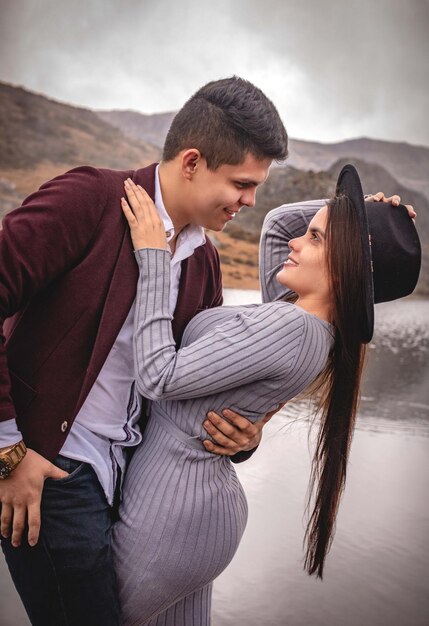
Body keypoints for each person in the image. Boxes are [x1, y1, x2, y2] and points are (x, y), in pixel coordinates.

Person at [0, 77, 289, 626]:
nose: (251, 202)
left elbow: (190, 382)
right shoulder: (86, 199)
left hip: (131, 486)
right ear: (191, 162)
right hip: (49, 471)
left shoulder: (204, 261)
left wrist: (243, 438)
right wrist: (8, 448)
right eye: (242, 184)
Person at [113, 165, 421, 625]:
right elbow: (279, 224)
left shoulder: (291, 328)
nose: (298, 241)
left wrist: (154, 255)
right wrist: (356, 213)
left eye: (316, 239)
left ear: (348, 266)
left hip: (172, 513)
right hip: (188, 512)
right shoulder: (302, 316)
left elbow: (158, 376)